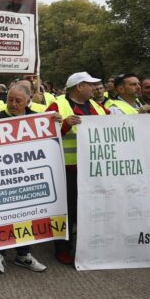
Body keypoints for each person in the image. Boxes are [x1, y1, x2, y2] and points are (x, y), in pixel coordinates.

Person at [47, 72, 107, 265]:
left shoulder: (98, 107)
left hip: (92, 168)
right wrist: (64, 125)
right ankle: (63, 249)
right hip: (66, 168)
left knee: (91, 210)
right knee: (67, 211)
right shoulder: (57, 105)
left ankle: (90, 247)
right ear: (79, 86)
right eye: (90, 85)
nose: (95, 89)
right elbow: (44, 135)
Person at [0, 84, 47, 274]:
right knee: (2, 215)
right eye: (10, 100)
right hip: (2, 179)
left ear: (28, 101)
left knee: (27, 216)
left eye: (18, 101)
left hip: (28, 178)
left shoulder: (38, 120)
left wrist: (56, 121)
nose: (13, 104)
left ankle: (24, 254)